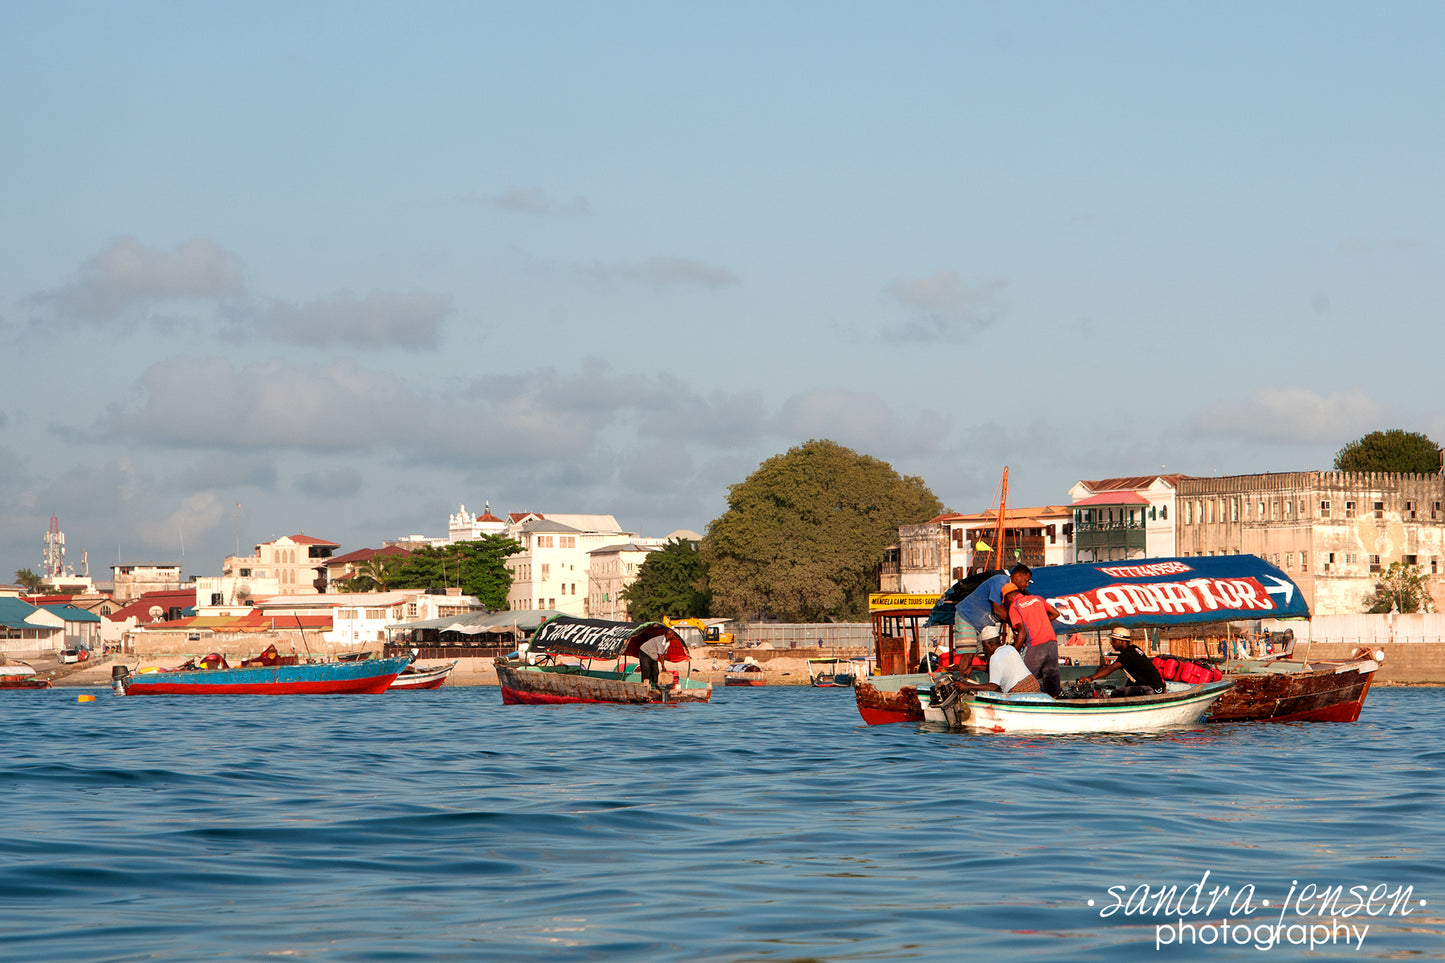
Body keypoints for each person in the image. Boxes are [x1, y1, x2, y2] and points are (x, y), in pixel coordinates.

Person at [1006, 564, 1063, 697]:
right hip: (1052, 642)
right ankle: (1054, 701)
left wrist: (1012, 652)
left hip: (1036, 644)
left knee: (1025, 677)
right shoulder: (1037, 598)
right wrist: (1040, 620)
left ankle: (1024, 704)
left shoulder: (1014, 606)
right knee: (1051, 678)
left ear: (1009, 597)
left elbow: (1022, 633)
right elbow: (1055, 613)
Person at [951, 624, 1041, 694]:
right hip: (1033, 684)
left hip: (1020, 691)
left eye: (984, 646)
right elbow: (997, 668)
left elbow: (992, 687)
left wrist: (966, 686)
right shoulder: (1009, 648)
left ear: (989, 644)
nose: (984, 650)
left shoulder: (995, 658)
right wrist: (973, 667)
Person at [1082, 626, 1165, 695]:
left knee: (1116, 693)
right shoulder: (1133, 649)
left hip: (1153, 688)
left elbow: (1111, 668)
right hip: (1151, 686)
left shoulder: (1128, 654)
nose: (1112, 643)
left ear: (1121, 641)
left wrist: (1091, 678)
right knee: (1124, 689)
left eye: (1113, 641)